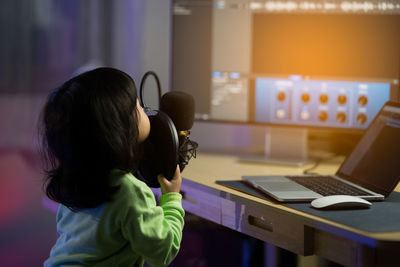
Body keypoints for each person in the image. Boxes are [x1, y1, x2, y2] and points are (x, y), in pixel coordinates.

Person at [39, 67, 184, 267]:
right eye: (138, 107)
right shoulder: (129, 192)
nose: (145, 111)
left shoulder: (74, 180)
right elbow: (162, 252)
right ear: (120, 129)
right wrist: (172, 199)